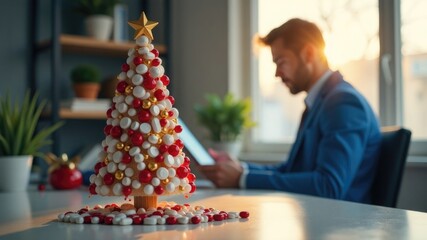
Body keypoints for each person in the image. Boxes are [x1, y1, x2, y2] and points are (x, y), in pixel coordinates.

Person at [198, 18, 381, 204]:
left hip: (342, 228)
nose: (277, 73)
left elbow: (329, 186)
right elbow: (291, 170)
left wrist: (241, 179)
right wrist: (239, 170)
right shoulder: (319, 103)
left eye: (281, 61)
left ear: (309, 53)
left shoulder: (344, 103)